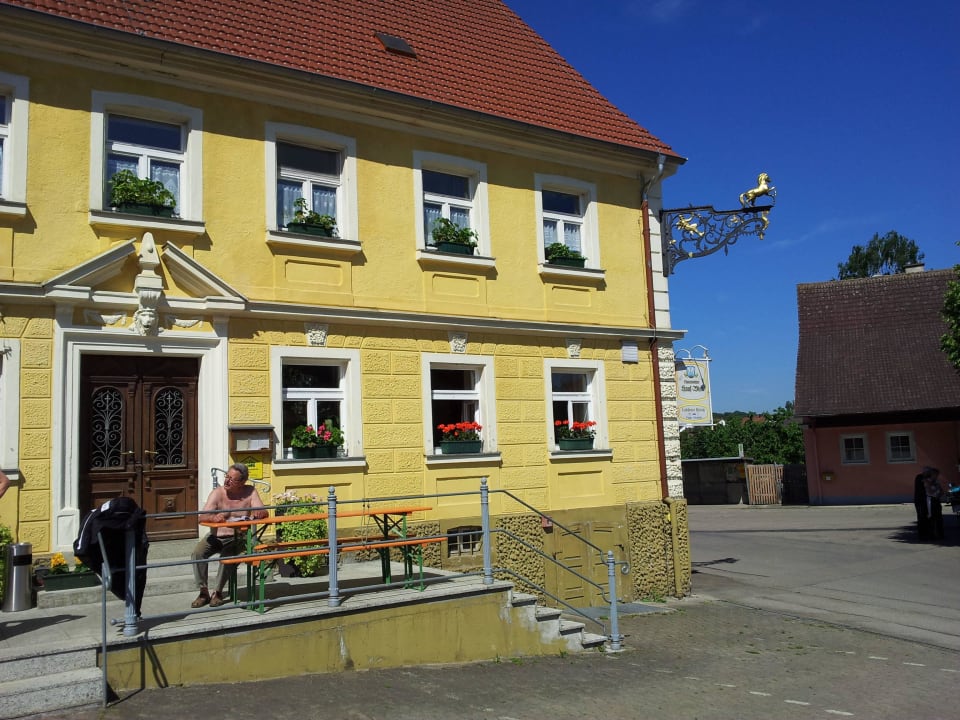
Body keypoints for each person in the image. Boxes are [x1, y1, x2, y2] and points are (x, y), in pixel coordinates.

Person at [190, 463, 267, 608]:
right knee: (197, 553)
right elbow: (201, 517)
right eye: (226, 476)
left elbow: (263, 511)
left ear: (242, 482)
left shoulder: (250, 492)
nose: (226, 481)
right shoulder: (217, 493)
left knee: (227, 557)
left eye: (232, 479)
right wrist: (213, 518)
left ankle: (217, 592)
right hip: (215, 537)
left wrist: (259, 513)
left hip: (237, 539)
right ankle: (203, 592)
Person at [913, 471, 929, 539]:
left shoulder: (920, 479)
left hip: (920, 501)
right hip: (920, 501)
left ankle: (923, 534)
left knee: (922, 518)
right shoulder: (920, 479)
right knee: (922, 518)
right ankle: (923, 534)